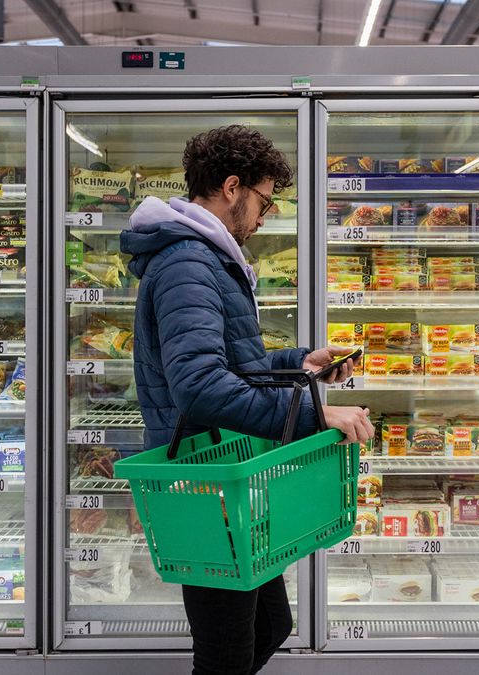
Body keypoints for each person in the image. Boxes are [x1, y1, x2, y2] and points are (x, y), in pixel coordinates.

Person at [120, 124, 375, 675]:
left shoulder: (206, 257)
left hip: (226, 468)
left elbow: (227, 364)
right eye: (265, 201)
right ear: (232, 187)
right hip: (200, 477)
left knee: (270, 626)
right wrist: (315, 413)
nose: (266, 217)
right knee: (225, 654)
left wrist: (299, 364)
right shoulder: (188, 261)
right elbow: (201, 385)